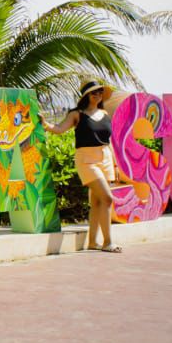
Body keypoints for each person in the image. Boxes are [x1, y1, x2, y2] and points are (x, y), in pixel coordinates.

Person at [42, 80, 123, 253]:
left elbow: (109, 141)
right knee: (108, 199)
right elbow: (59, 128)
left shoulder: (105, 113)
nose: (98, 95)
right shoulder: (76, 114)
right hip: (87, 160)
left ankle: (93, 242)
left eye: (100, 92)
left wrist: (115, 165)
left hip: (106, 159)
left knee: (97, 202)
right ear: (86, 95)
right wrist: (45, 124)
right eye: (94, 92)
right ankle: (108, 242)